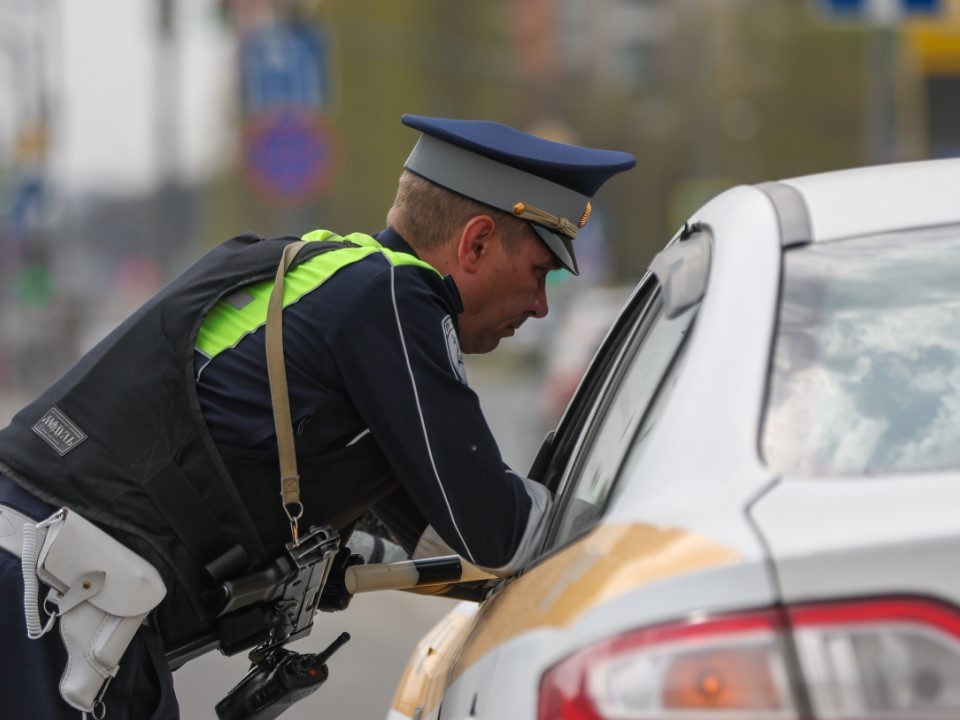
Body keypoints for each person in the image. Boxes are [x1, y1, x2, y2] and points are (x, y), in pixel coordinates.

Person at [0, 113, 636, 718]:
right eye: (538, 274)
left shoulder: (313, 270)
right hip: (48, 601)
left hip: (45, 584)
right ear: (474, 243)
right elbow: (498, 531)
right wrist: (632, 534)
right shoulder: (392, 298)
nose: (539, 306)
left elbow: (439, 543)